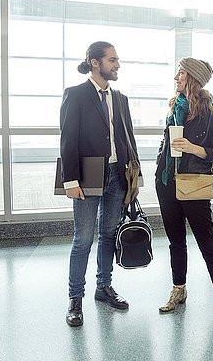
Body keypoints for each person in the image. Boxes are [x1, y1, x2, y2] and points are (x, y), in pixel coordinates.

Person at [60, 41, 139, 327]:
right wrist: (70, 181)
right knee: (83, 239)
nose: (117, 64)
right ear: (95, 62)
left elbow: (129, 138)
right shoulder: (76, 95)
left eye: (117, 60)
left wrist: (135, 178)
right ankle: (75, 298)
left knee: (108, 235)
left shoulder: (121, 99)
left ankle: (103, 287)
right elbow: (68, 140)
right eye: (112, 59)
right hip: (87, 177)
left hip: (118, 176)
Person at [155, 57, 213, 324]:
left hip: (195, 184)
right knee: (176, 241)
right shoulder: (173, 108)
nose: (175, 78)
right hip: (167, 184)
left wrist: (191, 147)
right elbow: (165, 145)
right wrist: (159, 171)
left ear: (192, 78)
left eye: (180, 73)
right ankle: (178, 289)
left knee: (207, 243)